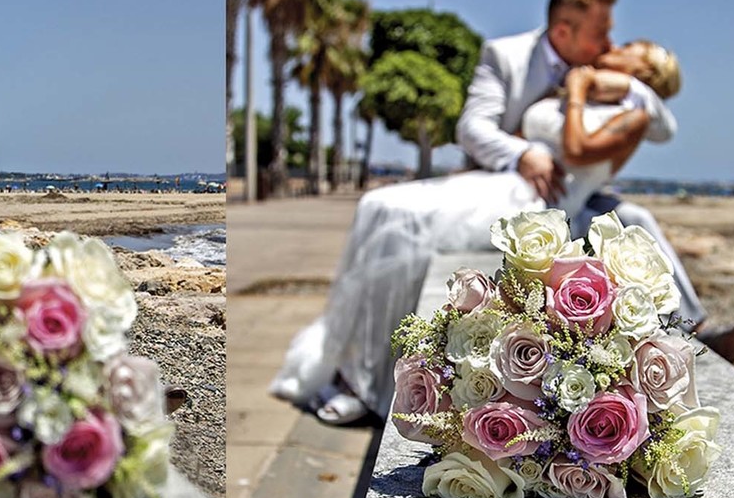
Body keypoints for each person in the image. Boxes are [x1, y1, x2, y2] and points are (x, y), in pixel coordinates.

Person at [269, 34, 686, 426]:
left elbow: (577, 150)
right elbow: (523, 134)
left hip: (543, 199)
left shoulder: (633, 112)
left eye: (632, 46)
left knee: (402, 221)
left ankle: (372, 383)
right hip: (511, 179)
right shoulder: (587, 87)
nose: (616, 43)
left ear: (645, 72)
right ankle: (352, 366)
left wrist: (577, 92)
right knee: (378, 206)